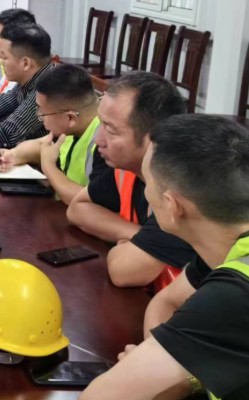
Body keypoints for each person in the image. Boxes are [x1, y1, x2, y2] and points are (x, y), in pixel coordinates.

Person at [81, 115, 249, 400]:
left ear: (173, 206)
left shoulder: (233, 294)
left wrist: (168, 369)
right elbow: (166, 301)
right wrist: (168, 360)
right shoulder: (227, 249)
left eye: (147, 183)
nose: (145, 191)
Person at [66, 72, 195, 289]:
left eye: (111, 130)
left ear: (153, 138)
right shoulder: (126, 169)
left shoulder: (183, 191)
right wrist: (135, 235)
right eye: (100, 125)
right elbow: (77, 209)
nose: (98, 140)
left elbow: (123, 272)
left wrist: (133, 244)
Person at [0, 64, 101, 205]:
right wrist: (12, 155)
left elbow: (88, 201)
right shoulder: (74, 126)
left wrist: (48, 166)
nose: (39, 117)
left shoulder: (104, 143)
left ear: (70, 118)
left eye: (42, 112)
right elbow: (41, 145)